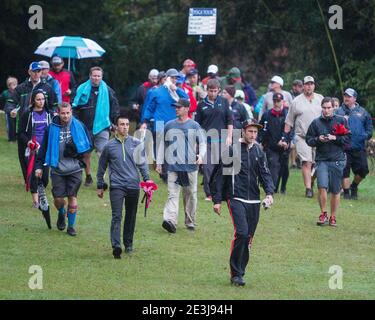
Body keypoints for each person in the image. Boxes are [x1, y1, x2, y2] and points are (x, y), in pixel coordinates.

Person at [210, 118, 274, 286]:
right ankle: (236, 273)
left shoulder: (259, 151)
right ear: (243, 132)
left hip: (254, 200)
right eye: (250, 131)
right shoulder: (232, 151)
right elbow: (219, 177)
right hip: (235, 198)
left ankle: (240, 272)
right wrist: (217, 200)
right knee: (242, 233)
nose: (253, 135)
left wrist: (269, 194)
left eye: (255, 132)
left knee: (248, 238)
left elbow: (265, 174)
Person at [97, 112, 152, 258]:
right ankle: (116, 246)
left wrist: (148, 180)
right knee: (117, 216)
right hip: (117, 185)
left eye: (127, 124)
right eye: (122, 124)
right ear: (116, 127)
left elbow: (143, 165)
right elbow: (101, 167)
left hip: (133, 185)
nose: (125, 127)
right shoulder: (109, 146)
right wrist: (100, 184)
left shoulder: (136, 143)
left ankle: (128, 244)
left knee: (131, 216)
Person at [35, 102, 92, 236]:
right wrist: (39, 167)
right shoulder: (51, 128)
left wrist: (78, 154)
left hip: (75, 169)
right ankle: (61, 212)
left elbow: (89, 144)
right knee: (59, 199)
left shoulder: (79, 125)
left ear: (71, 112)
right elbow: (43, 150)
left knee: (72, 196)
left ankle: (71, 227)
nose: (66, 116)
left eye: (68, 113)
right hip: (57, 169)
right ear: (58, 113)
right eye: (63, 113)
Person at [156, 98, 206, 233]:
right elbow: (162, 144)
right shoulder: (169, 125)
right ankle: (170, 221)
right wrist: (159, 162)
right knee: (172, 194)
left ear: (186, 109)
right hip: (173, 166)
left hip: (190, 166)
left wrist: (201, 155)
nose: (176, 109)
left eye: (179, 107)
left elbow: (202, 143)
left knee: (190, 194)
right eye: (176, 107)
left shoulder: (194, 126)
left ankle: (190, 221)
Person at [5, 62, 58, 182]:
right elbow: (9, 103)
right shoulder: (21, 88)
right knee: (24, 155)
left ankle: (41, 179)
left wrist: (54, 113)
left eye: (38, 71)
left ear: (42, 72)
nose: (36, 73)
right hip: (24, 128)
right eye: (34, 71)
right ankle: (28, 180)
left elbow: (54, 105)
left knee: (43, 153)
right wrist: (11, 110)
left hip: (43, 127)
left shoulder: (47, 88)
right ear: (29, 72)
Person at [306, 97, 350, 227]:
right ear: (321, 108)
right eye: (324, 108)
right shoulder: (315, 123)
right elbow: (309, 140)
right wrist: (318, 139)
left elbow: (347, 139)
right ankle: (323, 213)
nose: (326, 110)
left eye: (329, 108)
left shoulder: (341, 120)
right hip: (322, 160)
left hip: (337, 160)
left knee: (336, 190)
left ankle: (333, 217)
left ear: (333, 107)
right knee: (322, 186)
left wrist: (334, 137)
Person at [72, 66, 120, 187]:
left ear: (101, 77)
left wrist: (114, 122)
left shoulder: (108, 90)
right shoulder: (81, 89)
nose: (96, 78)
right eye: (94, 75)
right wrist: (76, 122)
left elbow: (114, 107)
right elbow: (74, 106)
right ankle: (88, 176)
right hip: (84, 127)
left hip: (102, 126)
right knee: (85, 154)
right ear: (90, 76)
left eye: (99, 76)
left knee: (103, 153)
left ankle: (102, 179)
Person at [140, 68, 189, 182]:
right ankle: (165, 173)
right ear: (166, 78)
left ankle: (171, 172)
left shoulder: (177, 92)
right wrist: (145, 122)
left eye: (176, 78)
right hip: (160, 123)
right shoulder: (156, 92)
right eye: (172, 78)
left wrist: (176, 89)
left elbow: (186, 99)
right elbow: (149, 108)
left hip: (175, 123)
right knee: (162, 149)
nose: (174, 80)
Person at [284, 76, 324, 198]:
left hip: (319, 137)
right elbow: (289, 121)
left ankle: (311, 181)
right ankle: (308, 189)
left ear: (314, 85)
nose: (309, 86)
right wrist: (285, 138)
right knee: (306, 162)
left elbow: (327, 115)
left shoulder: (320, 98)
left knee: (319, 164)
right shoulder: (296, 101)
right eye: (306, 84)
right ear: (303, 86)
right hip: (302, 137)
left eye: (311, 84)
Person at [195, 79, 233, 201]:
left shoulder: (224, 102)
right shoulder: (201, 105)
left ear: (219, 90)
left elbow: (229, 121)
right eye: (210, 91)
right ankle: (209, 193)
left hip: (222, 140)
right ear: (207, 90)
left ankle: (223, 192)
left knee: (224, 168)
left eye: (215, 91)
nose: (212, 93)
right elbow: (197, 125)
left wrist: (229, 136)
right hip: (207, 142)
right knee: (208, 168)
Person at [336, 88, 373, 200]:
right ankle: (346, 193)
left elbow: (369, 128)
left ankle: (354, 186)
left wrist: (365, 135)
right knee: (344, 171)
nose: (346, 98)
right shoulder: (338, 112)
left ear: (355, 98)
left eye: (349, 96)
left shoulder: (363, 112)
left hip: (359, 147)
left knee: (363, 170)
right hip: (344, 147)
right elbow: (333, 127)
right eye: (345, 96)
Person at [19, 90, 52, 211]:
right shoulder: (27, 114)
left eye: (43, 99)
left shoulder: (49, 114)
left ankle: (41, 195)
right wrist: (29, 142)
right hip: (32, 150)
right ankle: (35, 201)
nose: (41, 102)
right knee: (33, 175)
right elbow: (21, 133)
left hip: (45, 150)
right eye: (38, 99)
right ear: (33, 100)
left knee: (44, 178)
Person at [259, 92, 290, 194]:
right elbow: (261, 128)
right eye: (275, 101)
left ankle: (283, 187)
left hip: (284, 146)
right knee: (273, 165)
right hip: (271, 146)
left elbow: (290, 129)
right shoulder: (267, 114)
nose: (277, 103)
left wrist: (286, 140)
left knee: (284, 168)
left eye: (279, 101)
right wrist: (261, 141)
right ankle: (272, 188)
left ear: (282, 101)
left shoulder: (287, 114)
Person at [0, 76, 18, 142]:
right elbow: (1, 99)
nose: (13, 86)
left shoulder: (18, 92)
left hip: (16, 111)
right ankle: (11, 138)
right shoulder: (5, 93)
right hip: (8, 111)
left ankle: (16, 137)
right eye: (11, 85)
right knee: (10, 125)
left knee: (16, 125)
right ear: (8, 86)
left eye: (15, 84)